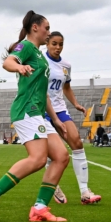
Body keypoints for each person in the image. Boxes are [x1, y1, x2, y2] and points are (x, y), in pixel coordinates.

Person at [0, 11, 70, 222]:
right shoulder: (26, 46)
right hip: (26, 110)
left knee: (61, 157)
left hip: (39, 113)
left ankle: (39, 208)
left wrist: (55, 119)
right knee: (38, 159)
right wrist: (19, 66)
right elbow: (8, 62)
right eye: (46, 27)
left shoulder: (39, 55)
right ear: (35, 27)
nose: (48, 32)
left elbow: (43, 93)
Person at [43, 31, 101, 205]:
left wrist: (75, 104)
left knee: (76, 142)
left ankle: (85, 192)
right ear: (47, 43)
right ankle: (53, 185)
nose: (58, 47)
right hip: (42, 109)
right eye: (54, 43)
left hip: (60, 108)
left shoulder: (66, 65)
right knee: (53, 152)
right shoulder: (41, 61)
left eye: (60, 44)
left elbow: (66, 87)